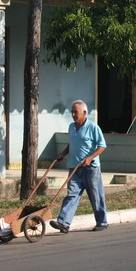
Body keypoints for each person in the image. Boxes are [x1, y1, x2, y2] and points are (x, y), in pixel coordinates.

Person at [50, 100, 108, 233]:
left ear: (84, 112)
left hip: (91, 168)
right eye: (72, 112)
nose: (73, 114)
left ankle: (102, 222)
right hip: (74, 167)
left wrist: (90, 158)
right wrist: (63, 154)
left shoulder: (93, 127)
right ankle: (63, 222)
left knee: (95, 195)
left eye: (76, 112)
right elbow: (72, 144)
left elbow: (102, 146)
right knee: (72, 194)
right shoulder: (71, 127)